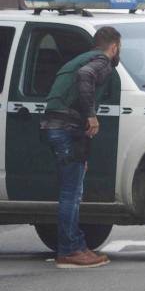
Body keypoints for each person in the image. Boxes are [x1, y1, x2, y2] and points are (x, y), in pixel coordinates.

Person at [40, 27, 121, 268]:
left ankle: (76, 244)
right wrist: (92, 115)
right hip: (66, 127)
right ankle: (69, 251)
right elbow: (86, 76)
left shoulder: (80, 59)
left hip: (57, 125)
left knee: (71, 190)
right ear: (114, 46)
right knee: (71, 194)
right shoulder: (101, 61)